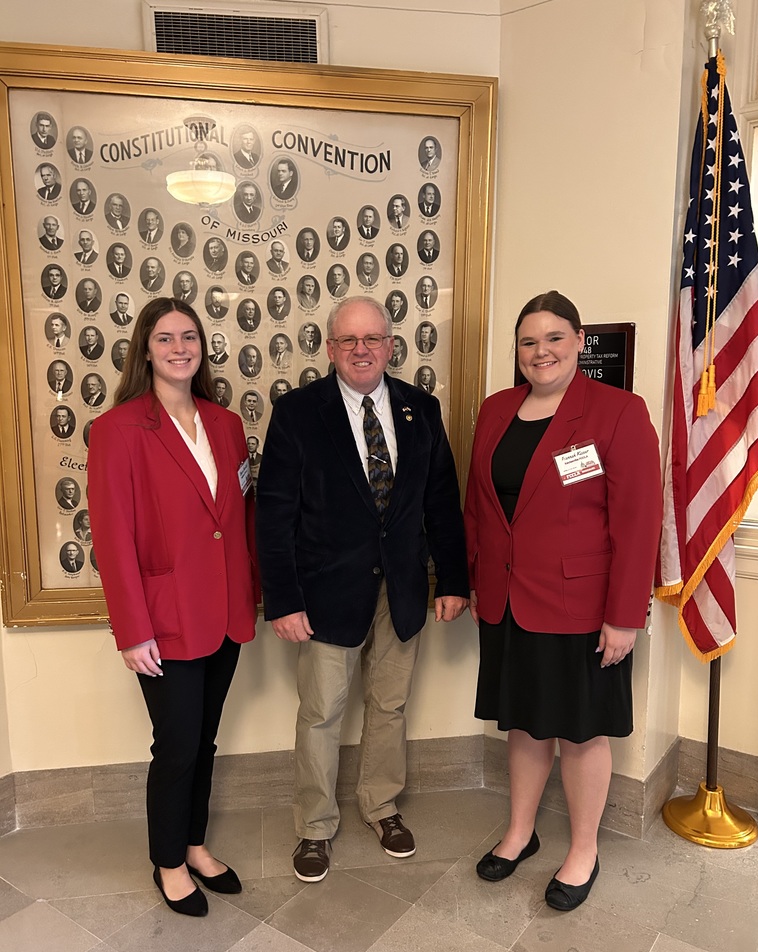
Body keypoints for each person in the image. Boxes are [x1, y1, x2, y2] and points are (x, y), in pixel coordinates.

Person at [256, 296, 469, 883]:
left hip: (400, 590)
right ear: (329, 349)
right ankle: (315, 827)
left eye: (372, 338)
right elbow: (274, 514)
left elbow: (441, 502)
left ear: (390, 345)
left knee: (390, 705)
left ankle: (381, 805)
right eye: (348, 340)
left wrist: (451, 579)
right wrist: (284, 597)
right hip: (325, 594)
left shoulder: (420, 409)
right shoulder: (299, 413)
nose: (361, 350)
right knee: (322, 711)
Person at [464, 291, 662, 911]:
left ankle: (583, 849)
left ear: (579, 341)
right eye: (527, 341)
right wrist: (475, 580)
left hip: (583, 608)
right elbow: (480, 508)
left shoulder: (618, 413)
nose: (540, 351)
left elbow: (638, 521)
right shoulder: (496, 411)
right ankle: (520, 833)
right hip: (507, 601)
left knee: (579, 732)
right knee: (523, 722)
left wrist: (624, 616)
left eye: (553, 338)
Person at [88, 296, 260, 917]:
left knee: (206, 740)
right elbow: (112, 539)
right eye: (165, 338)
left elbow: (236, 520)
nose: (180, 347)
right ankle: (167, 862)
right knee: (178, 744)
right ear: (145, 349)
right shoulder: (118, 430)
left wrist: (253, 596)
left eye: (189, 336)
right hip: (163, 621)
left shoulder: (225, 424)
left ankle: (194, 842)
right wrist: (132, 631)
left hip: (226, 613)